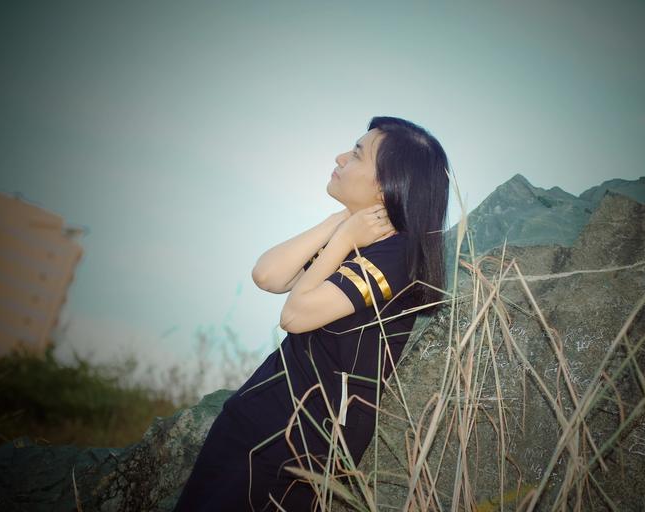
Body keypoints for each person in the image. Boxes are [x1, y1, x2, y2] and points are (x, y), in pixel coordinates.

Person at [172, 116, 450, 511]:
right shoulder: (358, 237)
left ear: (387, 184)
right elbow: (268, 275)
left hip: (294, 445)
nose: (340, 157)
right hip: (256, 424)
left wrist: (345, 238)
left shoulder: (397, 255)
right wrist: (338, 223)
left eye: (356, 154)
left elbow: (294, 316)